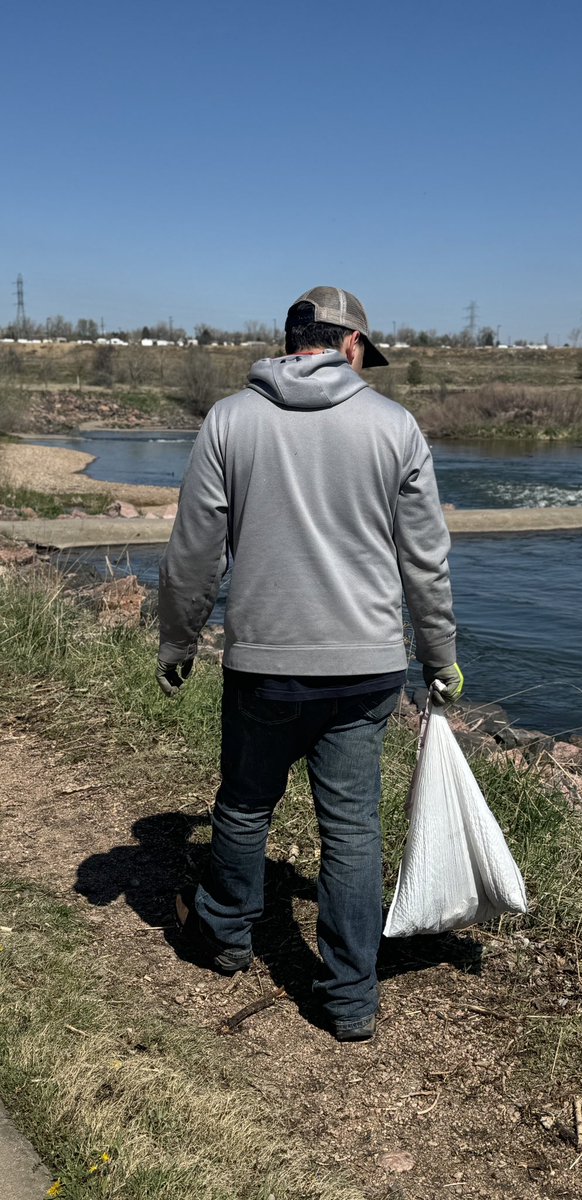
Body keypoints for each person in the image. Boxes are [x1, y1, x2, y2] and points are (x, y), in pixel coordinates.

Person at [156, 286, 462, 1041]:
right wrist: (440, 657)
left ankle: (224, 938)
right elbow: (425, 561)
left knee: (245, 803)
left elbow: (193, 554)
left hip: (263, 661)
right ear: (351, 344)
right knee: (352, 828)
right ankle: (349, 997)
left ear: (290, 340)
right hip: (365, 668)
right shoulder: (394, 427)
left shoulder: (230, 419)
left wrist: (178, 642)